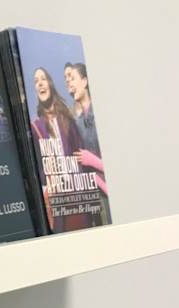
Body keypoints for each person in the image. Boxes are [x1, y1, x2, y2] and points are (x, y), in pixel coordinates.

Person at [30, 67, 89, 232]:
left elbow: (81, 153)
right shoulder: (35, 127)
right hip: (56, 201)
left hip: (76, 195)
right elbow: (38, 168)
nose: (40, 83)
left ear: (50, 84)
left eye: (43, 79)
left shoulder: (68, 120)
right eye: (36, 81)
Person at [65, 62, 111, 223]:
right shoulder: (77, 123)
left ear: (84, 81)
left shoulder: (101, 113)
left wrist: (93, 161)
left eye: (72, 78)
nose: (69, 82)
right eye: (67, 80)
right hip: (97, 199)